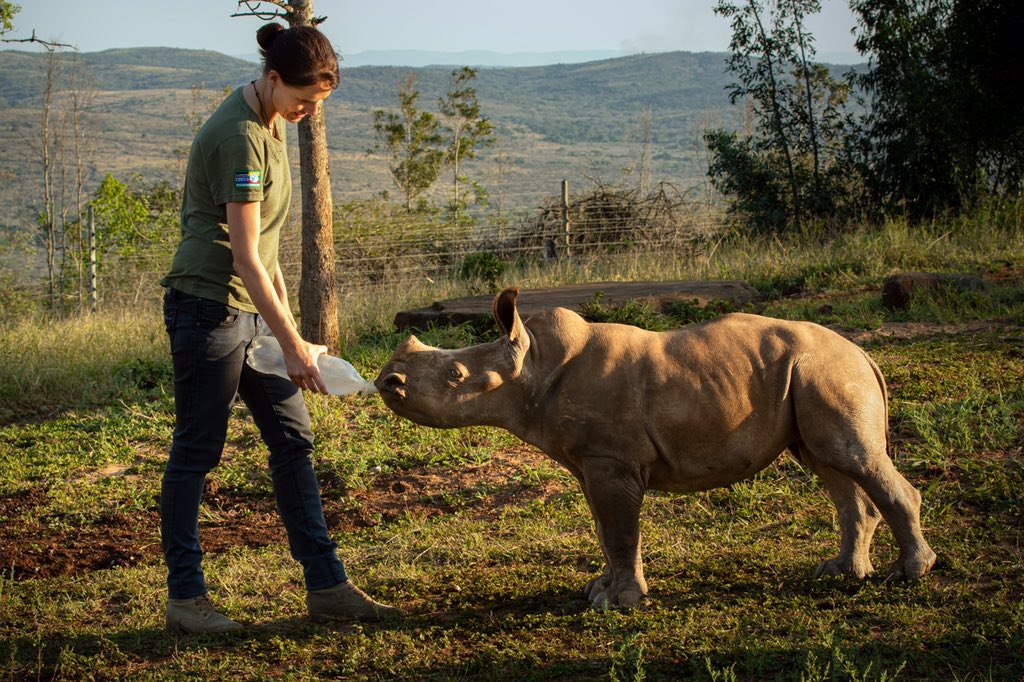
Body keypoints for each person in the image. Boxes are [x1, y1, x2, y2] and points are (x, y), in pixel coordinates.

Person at [159, 22, 398, 634]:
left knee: (293, 440)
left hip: (252, 309)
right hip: (207, 309)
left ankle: (327, 586)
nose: (308, 112)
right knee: (197, 451)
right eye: (303, 99)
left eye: (318, 102)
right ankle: (185, 599)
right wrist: (291, 345)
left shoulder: (271, 122)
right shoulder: (239, 138)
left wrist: (292, 331)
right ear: (271, 78)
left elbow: (267, 247)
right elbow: (243, 255)